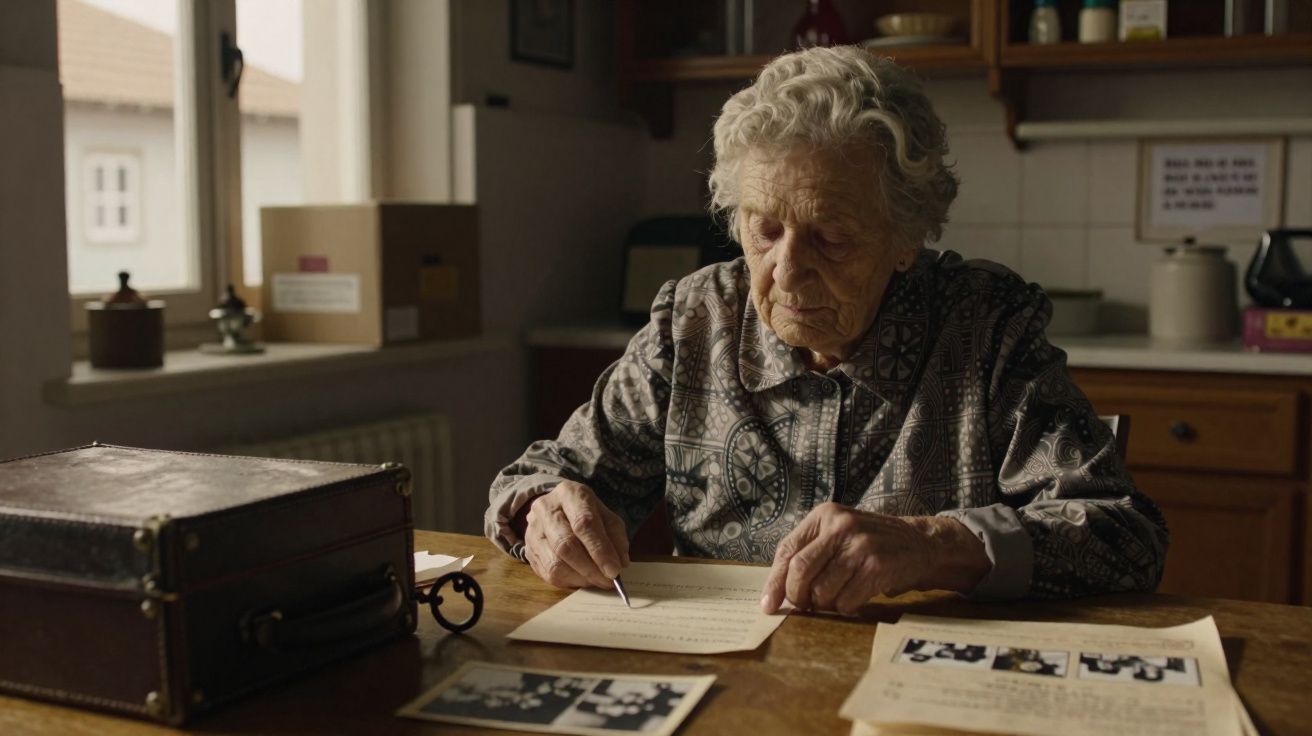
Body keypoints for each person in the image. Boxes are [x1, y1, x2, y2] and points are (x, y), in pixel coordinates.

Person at [485, 45, 1168, 614]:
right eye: (765, 228)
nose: (787, 271)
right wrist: (546, 510)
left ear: (907, 238)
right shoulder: (694, 320)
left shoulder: (986, 327)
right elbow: (542, 476)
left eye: (832, 235)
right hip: (725, 683)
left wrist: (936, 546)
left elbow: (1121, 534)